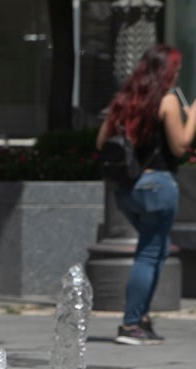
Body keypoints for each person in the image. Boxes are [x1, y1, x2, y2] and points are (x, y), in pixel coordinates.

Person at [97, 45, 196, 346]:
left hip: (127, 189)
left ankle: (140, 318)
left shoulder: (123, 101)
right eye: (175, 69)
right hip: (158, 185)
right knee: (150, 253)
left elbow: (102, 141)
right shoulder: (166, 102)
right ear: (165, 71)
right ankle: (131, 325)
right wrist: (192, 116)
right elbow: (180, 147)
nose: (177, 74)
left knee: (156, 249)